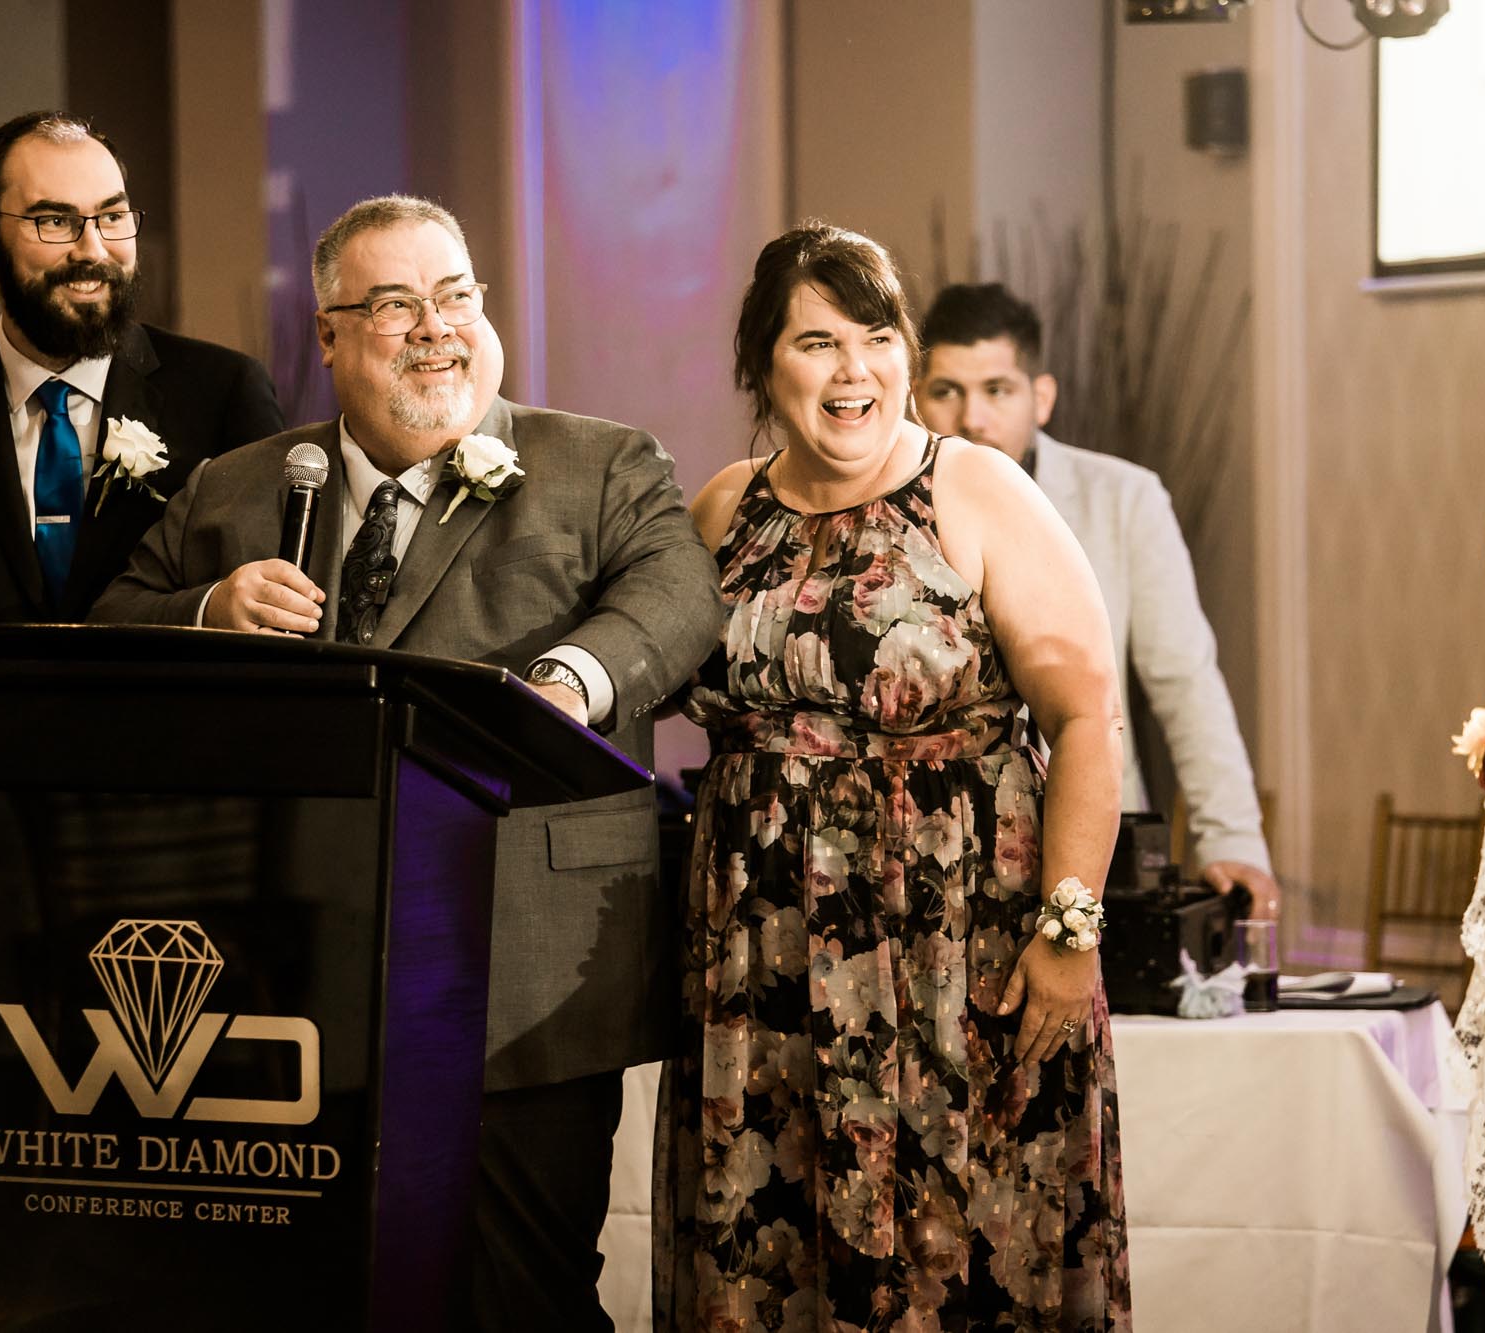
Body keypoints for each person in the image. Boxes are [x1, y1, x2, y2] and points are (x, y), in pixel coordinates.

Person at [90, 194, 722, 1328]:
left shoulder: (599, 463)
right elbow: (110, 619)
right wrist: (205, 609)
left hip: (526, 969)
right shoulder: (240, 488)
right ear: (325, 336)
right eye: (392, 304)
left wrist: (574, 679)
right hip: (291, 977)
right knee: (324, 1293)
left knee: (521, 1294)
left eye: (455, 296)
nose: (435, 327)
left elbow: (677, 597)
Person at [0, 108, 284, 1327]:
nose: (93, 246)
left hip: (172, 871)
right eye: (55, 221)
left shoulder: (221, 393)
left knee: (145, 1204)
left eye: (113, 216)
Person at [661, 225, 1131, 1329]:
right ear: (760, 363)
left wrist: (1071, 932)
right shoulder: (723, 510)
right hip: (763, 966)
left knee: (962, 1252)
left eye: (876, 338)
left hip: (959, 953)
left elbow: (1083, 716)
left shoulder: (974, 489)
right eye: (816, 341)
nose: (853, 369)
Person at [917, 283, 1277, 916]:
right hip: (937, 853)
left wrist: (1233, 840)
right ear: (917, 399)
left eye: (998, 390)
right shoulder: (892, 509)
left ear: (1042, 398)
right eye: (947, 391)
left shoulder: (1126, 499)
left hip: (1098, 857)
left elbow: (1184, 680)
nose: (972, 418)